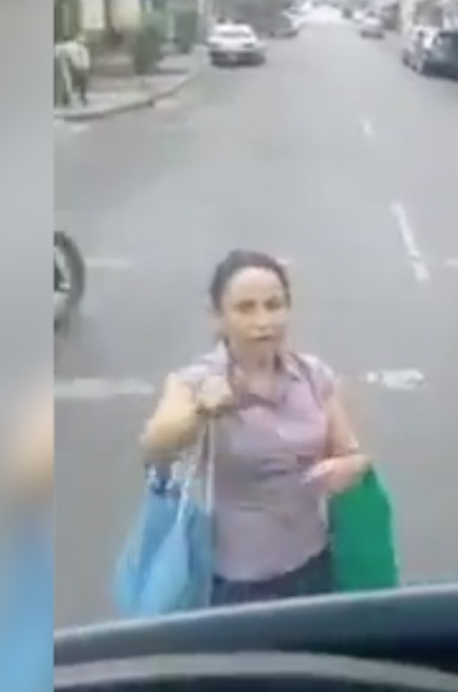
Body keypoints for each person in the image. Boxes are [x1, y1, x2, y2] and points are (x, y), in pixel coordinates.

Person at [139, 250, 370, 605]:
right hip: (236, 586)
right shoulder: (196, 381)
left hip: (314, 569)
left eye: (273, 305)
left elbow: (353, 455)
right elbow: (155, 446)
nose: (263, 320)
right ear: (218, 317)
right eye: (245, 308)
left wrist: (347, 468)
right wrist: (200, 409)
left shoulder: (313, 375)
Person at [56, 35, 91, 106]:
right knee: (76, 84)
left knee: (78, 84)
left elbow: (85, 59)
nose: (83, 43)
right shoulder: (72, 46)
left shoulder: (81, 48)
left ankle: (79, 97)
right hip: (78, 67)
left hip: (80, 67)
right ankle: (76, 98)